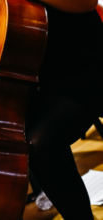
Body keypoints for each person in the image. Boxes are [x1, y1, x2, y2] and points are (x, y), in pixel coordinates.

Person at [25, 0, 102, 219]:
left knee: (40, 145)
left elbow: (88, 3)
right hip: (36, 73)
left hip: (82, 63)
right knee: (25, 140)